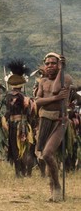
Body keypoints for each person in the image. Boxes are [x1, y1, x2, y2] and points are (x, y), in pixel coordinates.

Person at [34, 52, 73, 202]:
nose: (50, 66)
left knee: (48, 154)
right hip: (45, 121)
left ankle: (57, 187)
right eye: (47, 63)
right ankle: (52, 189)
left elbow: (57, 88)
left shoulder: (66, 78)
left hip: (60, 121)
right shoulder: (42, 81)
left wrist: (62, 70)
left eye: (53, 63)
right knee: (45, 156)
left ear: (59, 65)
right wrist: (54, 99)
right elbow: (37, 101)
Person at [4, 60, 35, 178]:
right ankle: (22, 172)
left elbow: (7, 112)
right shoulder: (24, 97)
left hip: (14, 125)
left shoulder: (8, 96)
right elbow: (29, 113)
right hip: (22, 125)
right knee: (21, 148)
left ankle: (20, 173)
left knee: (16, 148)